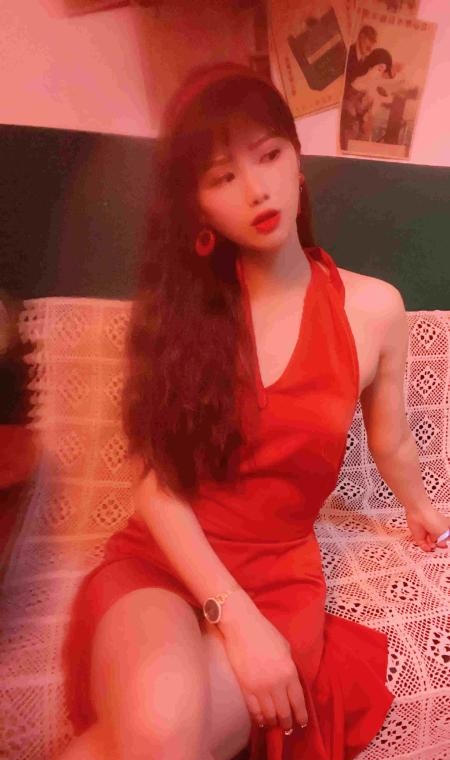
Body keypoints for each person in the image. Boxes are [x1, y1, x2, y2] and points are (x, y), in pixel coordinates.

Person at [57, 61, 449, 760]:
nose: (256, 188)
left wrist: (421, 508)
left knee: (155, 740)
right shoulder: (180, 313)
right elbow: (157, 485)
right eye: (221, 176)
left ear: (297, 161)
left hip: (277, 576)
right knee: (157, 731)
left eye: (268, 155)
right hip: (164, 559)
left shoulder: (374, 308)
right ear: (198, 208)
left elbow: (389, 438)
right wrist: (234, 619)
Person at [340, 47, 395, 149]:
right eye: (379, 69)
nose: (380, 75)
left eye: (382, 72)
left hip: (358, 126)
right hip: (349, 126)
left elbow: (379, 98)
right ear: (370, 67)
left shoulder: (371, 84)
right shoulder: (359, 82)